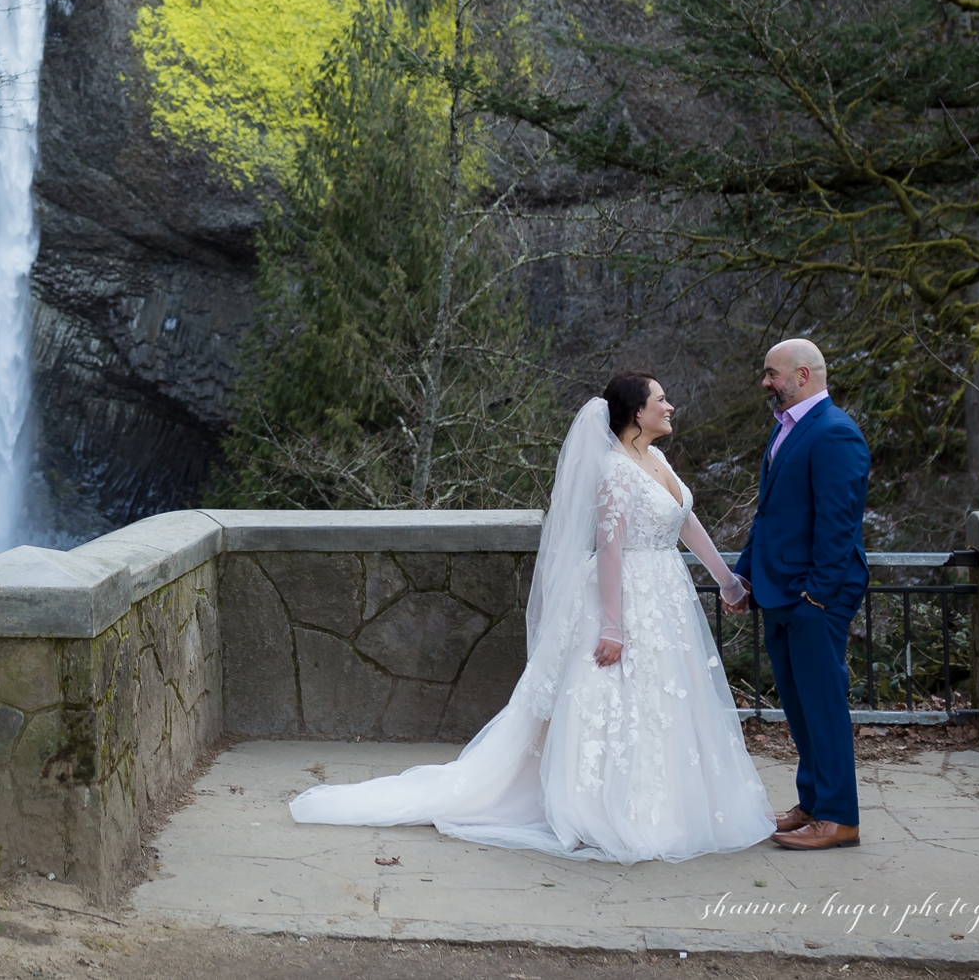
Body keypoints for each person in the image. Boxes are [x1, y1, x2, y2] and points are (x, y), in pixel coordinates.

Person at [288, 372, 775, 863]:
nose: (670, 407)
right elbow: (609, 550)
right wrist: (612, 625)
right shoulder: (615, 471)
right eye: (661, 400)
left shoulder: (657, 459)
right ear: (636, 413)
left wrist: (728, 581)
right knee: (612, 697)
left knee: (665, 699)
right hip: (623, 595)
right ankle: (604, 806)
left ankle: (673, 802)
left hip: (665, 594)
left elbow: (684, 520)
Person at [729, 339, 871, 850]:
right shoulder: (786, 430)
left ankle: (839, 818)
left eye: (772, 374)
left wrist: (817, 598)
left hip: (814, 598)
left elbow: (837, 527)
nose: (766, 383)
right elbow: (771, 517)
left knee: (823, 705)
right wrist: (744, 576)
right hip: (781, 592)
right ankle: (812, 803)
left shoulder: (835, 434)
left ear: (803, 375)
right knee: (799, 704)